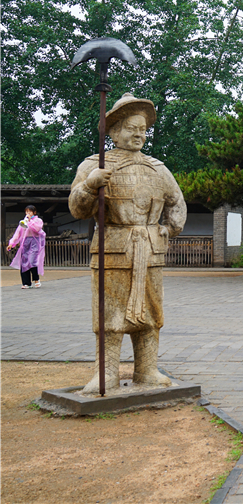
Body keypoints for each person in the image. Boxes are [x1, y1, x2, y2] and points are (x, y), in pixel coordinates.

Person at [69, 93, 186, 394]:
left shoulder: (157, 168)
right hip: (113, 246)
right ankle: (106, 374)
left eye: (143, 129)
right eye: (132, 127)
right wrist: (90, 185)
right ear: (114, 131)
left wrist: (169, 229)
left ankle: (146, 370)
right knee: (110, 314)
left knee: (151, 313)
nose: (139, 134)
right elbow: (77, 209)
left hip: (149, 248)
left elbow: (177, 201)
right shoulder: (94, 165)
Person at [6, 205, 47, 288]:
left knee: (32, 261)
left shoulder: (38, 221)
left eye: (29, 212)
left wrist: (30, 221)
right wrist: (11, 243)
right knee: (24, 262)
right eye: (26, 212)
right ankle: (26, 283)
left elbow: (37, 229)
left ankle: (36, 279)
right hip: (25, 243)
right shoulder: (23, 222)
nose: (27, 213)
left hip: (35, 242)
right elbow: (17, 233)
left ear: (34, 212)